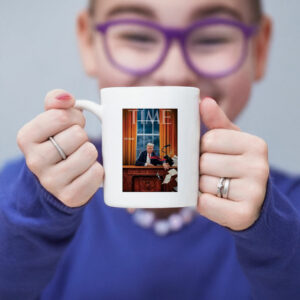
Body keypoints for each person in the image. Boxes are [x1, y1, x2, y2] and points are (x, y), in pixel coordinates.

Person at [0, 0, 299, 299]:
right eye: (138, 36)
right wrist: (36, 211)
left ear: (258, 50)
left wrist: (270, 229)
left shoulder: (291, 211)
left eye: (212, 38)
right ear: (89, 42)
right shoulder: (15, 199)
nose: (174, 73)